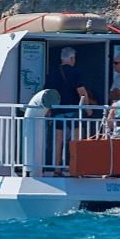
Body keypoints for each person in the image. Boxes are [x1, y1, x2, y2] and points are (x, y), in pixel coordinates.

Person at [43, 47, 94, 176]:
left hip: (57, 110)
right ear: (72, 58)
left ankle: (57, 169)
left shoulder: (52, 72)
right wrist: (86, 108)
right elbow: (81, 92)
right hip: (73, 111)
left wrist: (49, 109)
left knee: (58, 141)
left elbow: (46, 93)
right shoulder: (75, 72)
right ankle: (73, 168)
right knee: (75, 141)